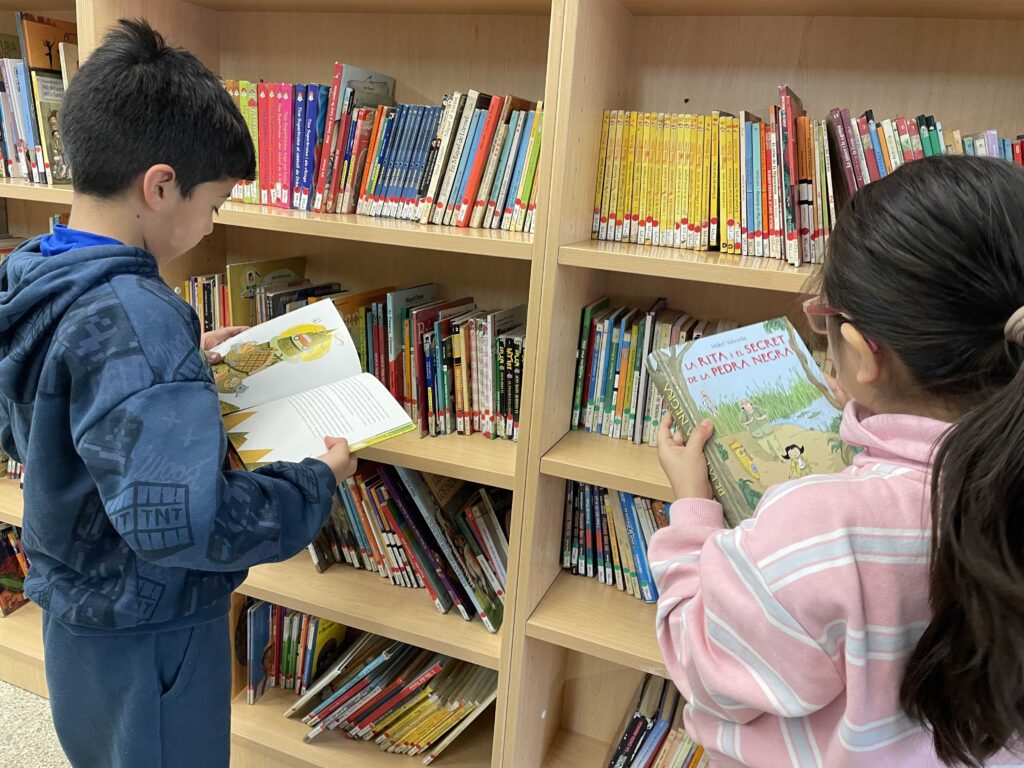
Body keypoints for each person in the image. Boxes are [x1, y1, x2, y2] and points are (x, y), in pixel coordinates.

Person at [0, 20, 357, 768]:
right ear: (161, 186)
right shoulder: (140, 321)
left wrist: (180, 367)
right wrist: (312, 483)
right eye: (216, 204)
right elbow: (184, 525)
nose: (213, 223)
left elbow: (51, 409)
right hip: (152, 631)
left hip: (75, 612)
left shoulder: (36, 275)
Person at [651, 155, 1024, 768]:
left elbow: (707, 666)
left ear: (863, 354)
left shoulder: (822, 527)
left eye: (824, 321)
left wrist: (692, 513)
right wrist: (869, 412)